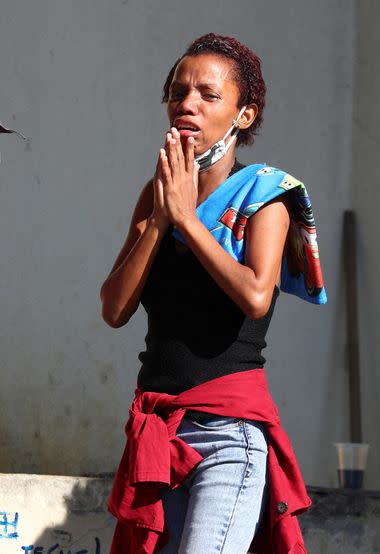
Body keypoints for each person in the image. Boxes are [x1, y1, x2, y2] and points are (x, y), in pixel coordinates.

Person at [100, 33, 325, 554]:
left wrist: (186, 220)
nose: (188, 104)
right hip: (159, 431)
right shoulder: (155, 192)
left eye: (208, 94)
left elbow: (255, 297)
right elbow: (114, 309)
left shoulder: (267, 195)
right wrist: (161, 217)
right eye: (179, 92)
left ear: (244, 116)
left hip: (228, 436)